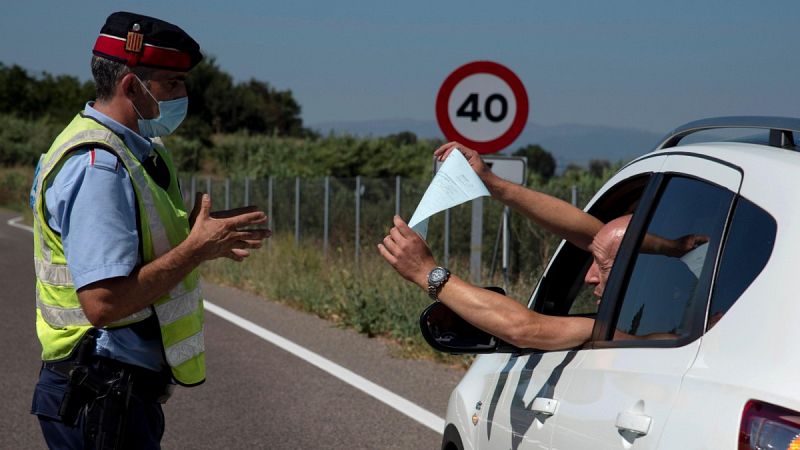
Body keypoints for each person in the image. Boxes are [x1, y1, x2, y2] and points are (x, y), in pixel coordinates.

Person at [29, 12, 270, 449]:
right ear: (131, 86)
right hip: (98, 389)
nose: (183, 95)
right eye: (172, 84)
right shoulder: (99, 166)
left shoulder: (131, 150)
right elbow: (103, 303)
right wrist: (196, 250)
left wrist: (200, 233)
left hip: (113, 390)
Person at [378, 143, 703, 350]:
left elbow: (523, 328)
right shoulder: (685, 320)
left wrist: (427, 274)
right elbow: (600, 236)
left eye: (603, 265)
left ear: (638, 272)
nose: (589, 277)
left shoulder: (616, 335)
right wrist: (492, 184)